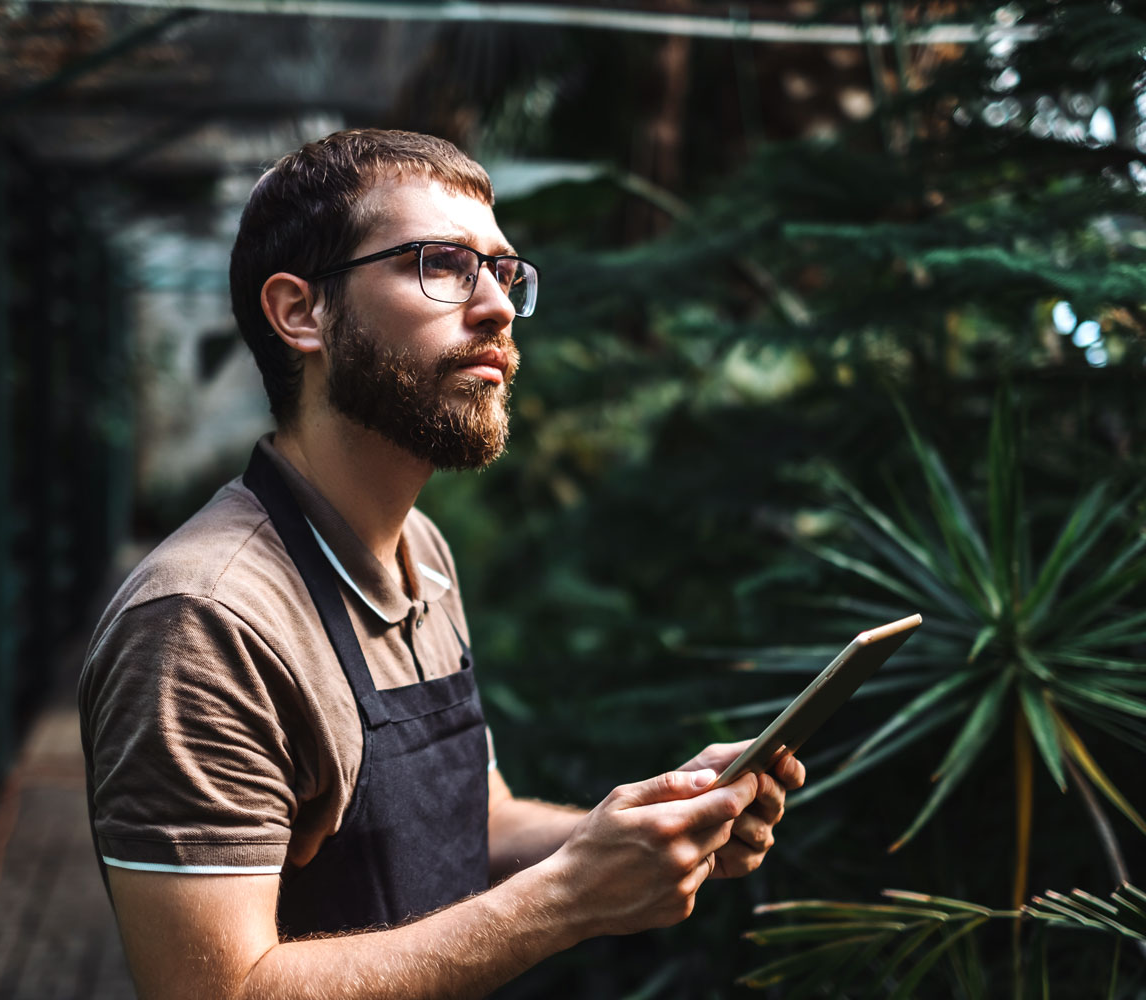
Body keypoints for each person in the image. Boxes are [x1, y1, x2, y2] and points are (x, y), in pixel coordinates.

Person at [78, 128, 805, 1000]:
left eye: (502, 271)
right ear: (300, 313)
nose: (496, 306)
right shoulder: (201, 621)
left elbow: (475, 822)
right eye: (440, 263)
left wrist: (651, 831)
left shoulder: (421, 547)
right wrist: (571, 898)